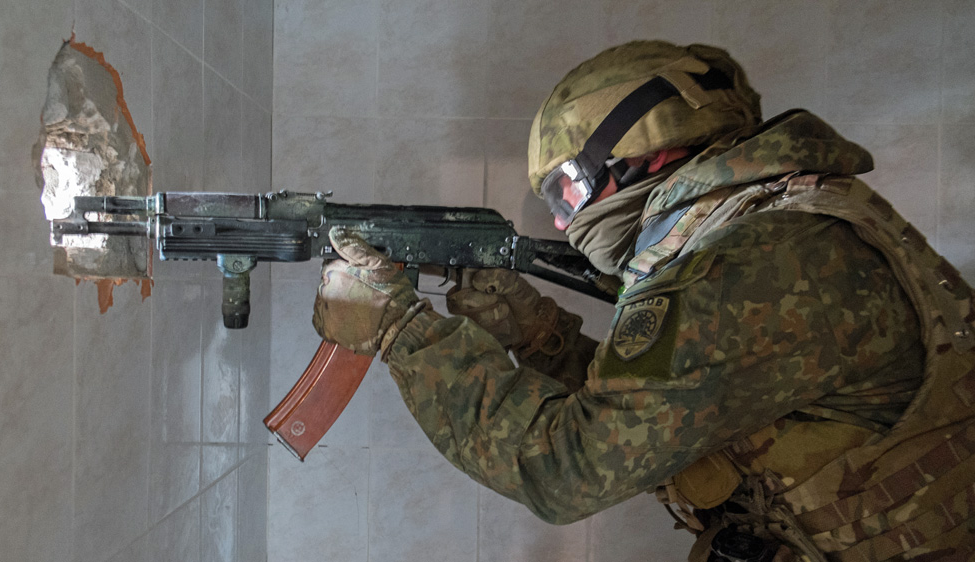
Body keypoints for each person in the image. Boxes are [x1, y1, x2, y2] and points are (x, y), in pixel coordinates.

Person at [313, 41, 975, 561]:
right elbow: (670, 414)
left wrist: (398, 327)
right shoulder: (782, 223)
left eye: (567, 196)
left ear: (640, 160)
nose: (565, 224)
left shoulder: (757, 257)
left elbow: (568, 470)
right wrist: (539, 334)